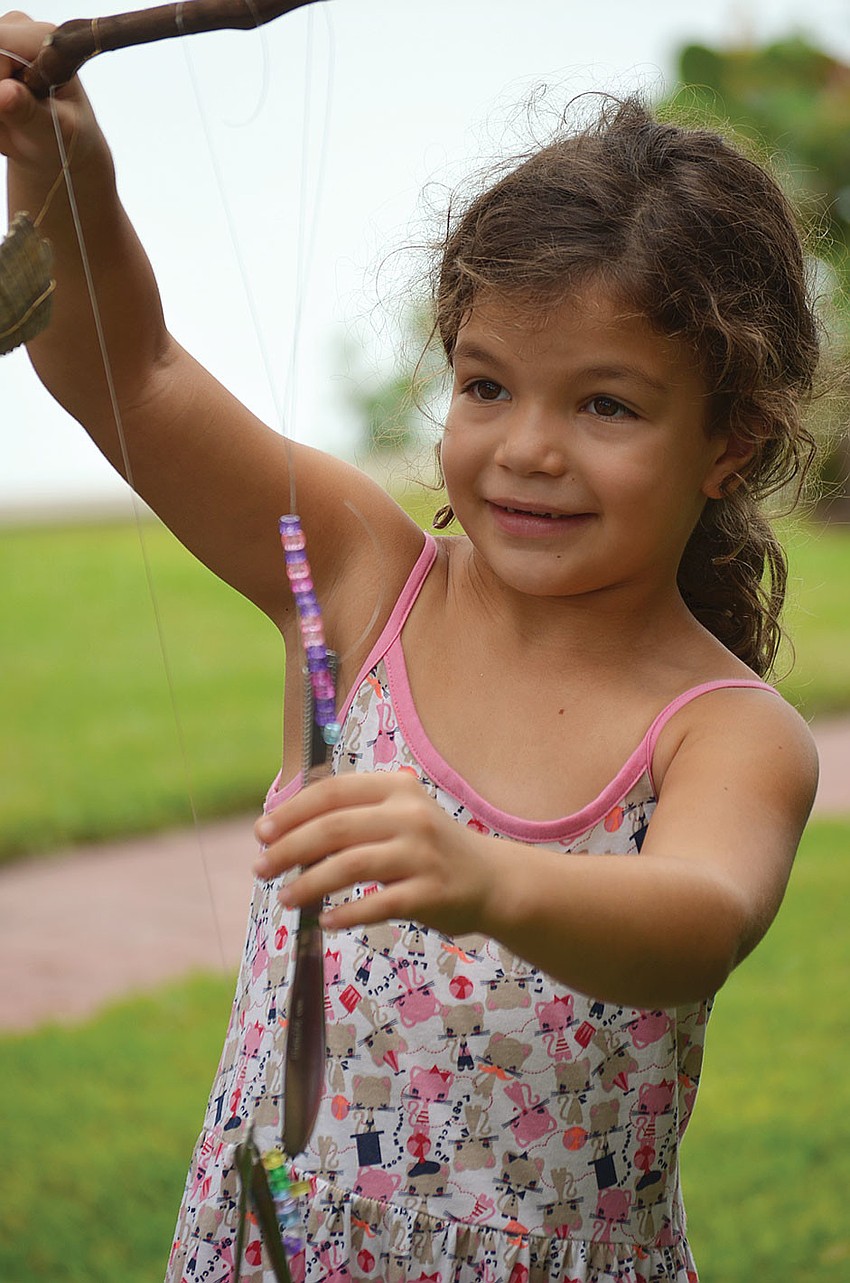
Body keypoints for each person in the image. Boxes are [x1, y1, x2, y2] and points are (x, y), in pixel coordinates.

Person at [1, 13, 821, 1283]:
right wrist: (64, 177)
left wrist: (484, 875)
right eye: (487, 384)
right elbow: (138, 374)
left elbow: (695, 917)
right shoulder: (361, 583)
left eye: (604, 402)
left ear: (729, 441)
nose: (527, 446)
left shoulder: (724, 729)